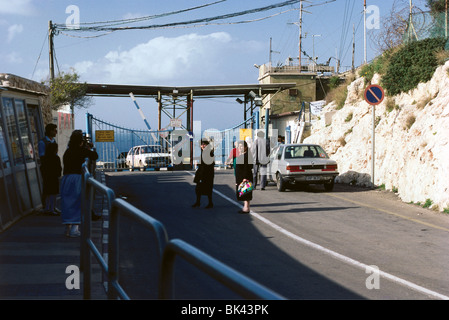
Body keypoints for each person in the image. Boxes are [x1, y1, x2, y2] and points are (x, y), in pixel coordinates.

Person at [60, 130, 98, 237]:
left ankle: (67, 228)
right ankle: (74, 229)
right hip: (77, 178)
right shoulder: (81, 151)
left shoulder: (68, 151)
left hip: (66, 178)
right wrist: (89, 148)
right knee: (78, 202)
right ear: (80, 141)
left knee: (67, 202)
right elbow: (95, 156)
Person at [38, 123, 58, 211]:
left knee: (53, 188)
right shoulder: (42, 142)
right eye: (54, 130)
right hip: (47, 168)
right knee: (47, 187)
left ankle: (52, 207)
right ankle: (46, 206)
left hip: (53, 168)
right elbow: (42, 156)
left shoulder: (53, 141)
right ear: (50, 131)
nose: (56, 132)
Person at [192, 139, 215, 209]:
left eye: (204, 144)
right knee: (198, 188)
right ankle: (198, 202)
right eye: (201, 144)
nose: (202, 146)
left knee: (208, 189)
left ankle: (210, 203)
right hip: (202, 173)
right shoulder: (204, 152)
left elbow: (210, 164)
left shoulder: (209, 153)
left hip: (207, 174)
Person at [40, 142, 62, 215]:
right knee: (53, 193)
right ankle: (53, 208)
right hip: (54, 177)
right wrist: (58, 174)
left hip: (47, 177)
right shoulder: (56, 158)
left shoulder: (45, 158)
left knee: (47, 192)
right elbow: (59, 168)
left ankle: (47, 208)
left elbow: (42, 168)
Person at [234, 140, 254, 214]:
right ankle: (246, 207)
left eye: (241, 146)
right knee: (245, 192)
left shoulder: (247, 156)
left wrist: (245, 177)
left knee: (246, 193)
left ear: (245, 147)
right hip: (241, 177)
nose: (240, 148)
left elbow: (247, 167)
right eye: (239, 147)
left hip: (245, 177)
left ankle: (246, 208)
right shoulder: (243, 155)